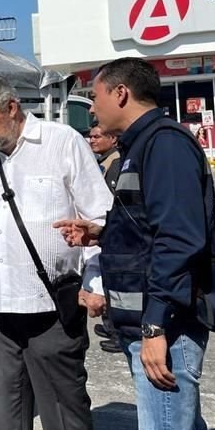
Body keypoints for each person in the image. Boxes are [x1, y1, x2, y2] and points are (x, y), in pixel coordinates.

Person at [55, 57, 215, 430]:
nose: (92, 109)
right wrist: (102, 234)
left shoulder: (163, 145)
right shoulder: (139, 146)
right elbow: (151, 228)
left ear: (121, 93)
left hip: (167, 326)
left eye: (96, 97)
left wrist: (153, 326)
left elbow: (180, 241)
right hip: (156, 323)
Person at [0, 74, 111, 430]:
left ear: (11, 107)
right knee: (8, 406)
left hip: (53, 305)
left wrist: (96, 284)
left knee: (64, 409)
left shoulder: (62, 142)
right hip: (5, 307)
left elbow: (98, 217)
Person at [87, 122, 121, 353]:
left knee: (114, 283)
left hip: (113, 232)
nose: (92, 141)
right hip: (105, 233)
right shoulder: (103, 161)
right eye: (91, 137)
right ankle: (110, 325)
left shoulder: (115, 162)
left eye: (98, 137)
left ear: (113, 140)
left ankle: (119, 333)